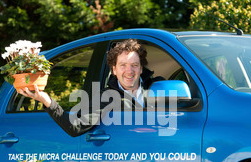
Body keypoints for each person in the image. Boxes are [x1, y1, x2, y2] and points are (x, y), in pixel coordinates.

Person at [19, 39, 161, 137]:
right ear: (114, 70)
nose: (129, 71)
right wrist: (46, 101)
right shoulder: (106, 97)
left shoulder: (159, 88)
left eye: (134, 65)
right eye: (123, 65)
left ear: (141, 68)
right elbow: (75, 127)